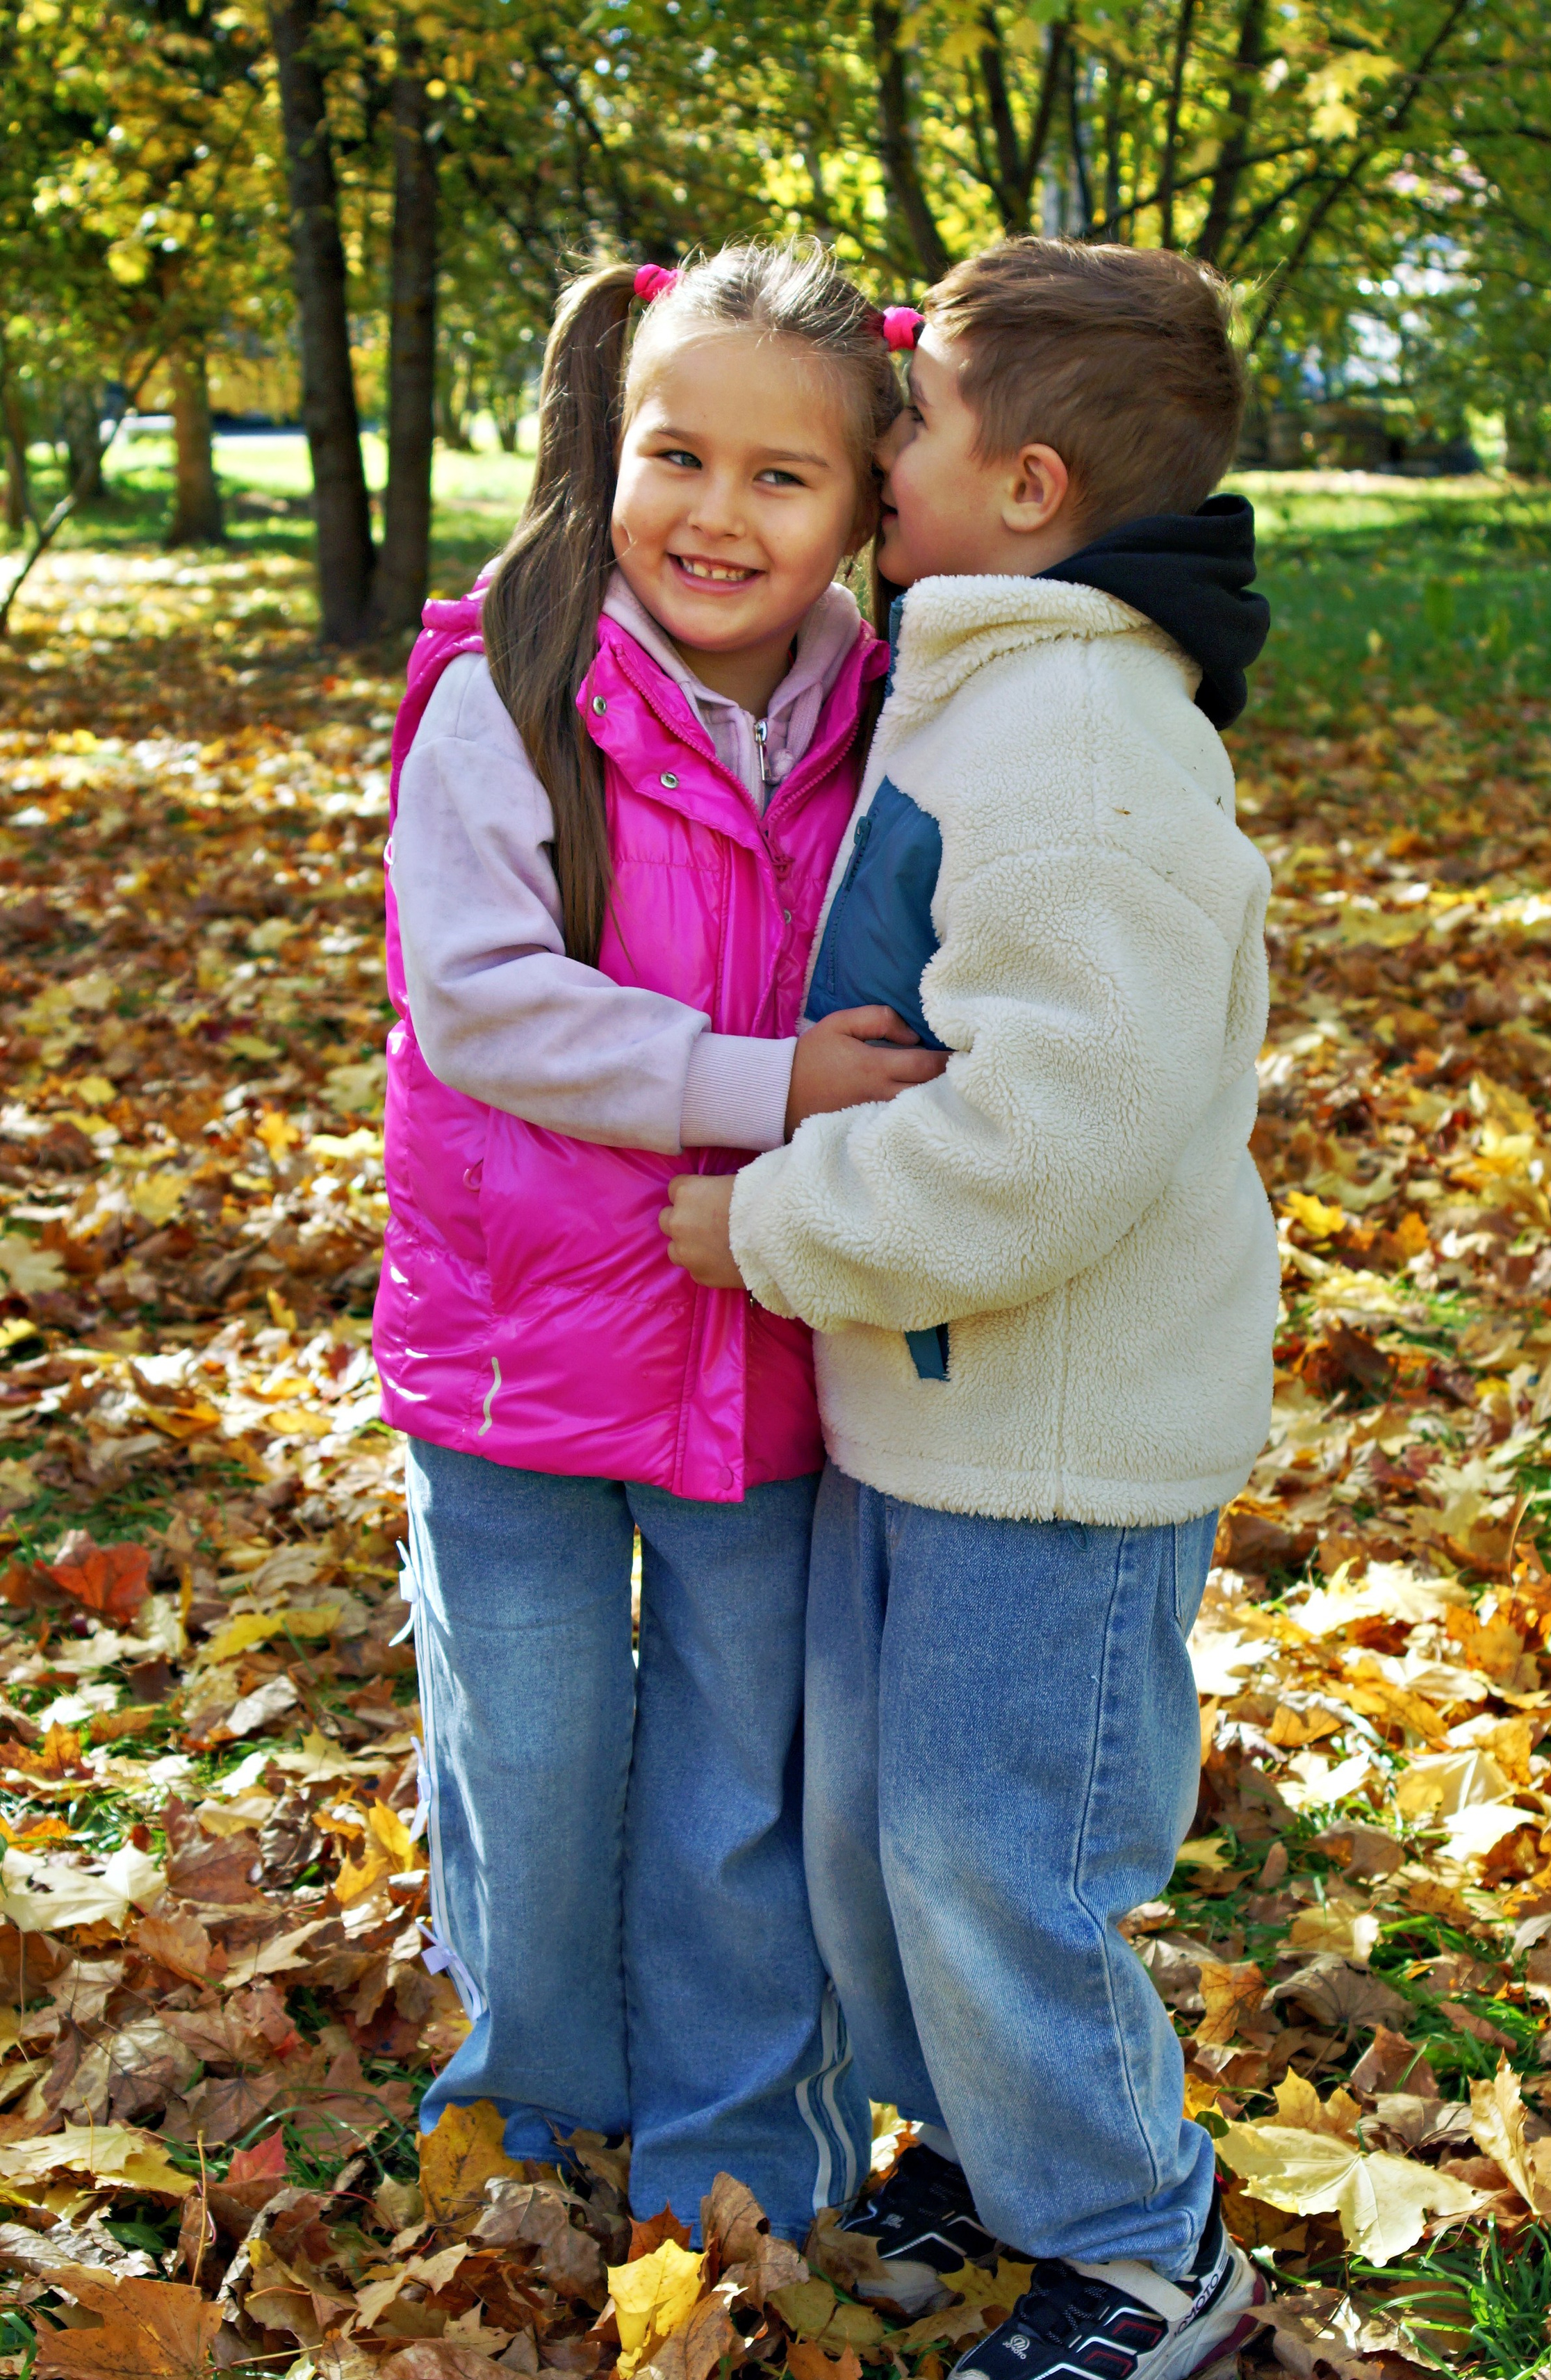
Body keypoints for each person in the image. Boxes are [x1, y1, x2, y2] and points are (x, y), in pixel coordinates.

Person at [661, 236, 1277, 2380]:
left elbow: (1053, 1137)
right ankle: (982, 2154)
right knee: (878, 1832)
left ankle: (1138, 2230)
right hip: (925, 1414)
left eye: (902, 420)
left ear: (1020, 484)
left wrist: (777, 1223)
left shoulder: (1095, 739)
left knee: (998, 1844)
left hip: (1054, 1441)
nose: (874, 446)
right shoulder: (984, 675)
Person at [376, 243, 946, 2240]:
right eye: (675, 454)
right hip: (522, 1350)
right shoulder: (510, 690)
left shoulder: (895, 720)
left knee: (737, 1800)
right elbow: (488, 1006)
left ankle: (734, 2171)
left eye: (783, 478)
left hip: (767, 1346)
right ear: (607, 444)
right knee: (528, 1760)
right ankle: (525, 2118)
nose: (718, 512)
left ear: (871, 505)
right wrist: (769, 1082)